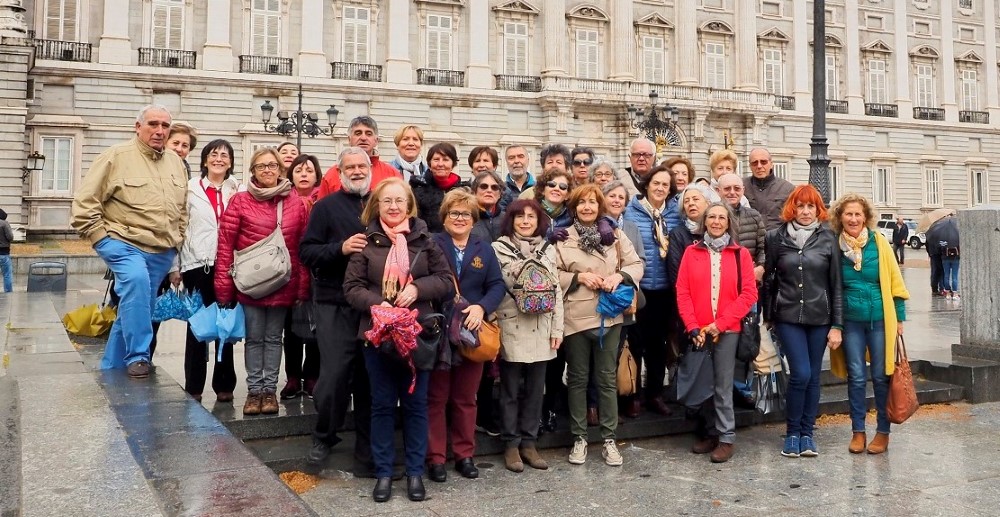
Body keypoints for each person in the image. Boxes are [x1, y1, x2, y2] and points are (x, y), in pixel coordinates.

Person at [342, 177, 453, 503]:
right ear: (378, 205)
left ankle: (415, 472)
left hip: (417, 334)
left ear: (409, 205)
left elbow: (445, 280)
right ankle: (384, 473)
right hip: (377, 335)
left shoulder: (425, 240)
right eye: (386, 201)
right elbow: (351, 288)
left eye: (398, 201)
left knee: (417, 406)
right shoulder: (368, 241)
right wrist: (376, 303)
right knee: (382, 406)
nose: (393, 206)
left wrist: (418, 289)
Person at [70, 105, 188, 377]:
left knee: (136, 308)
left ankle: (111, 369)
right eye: (153, 124)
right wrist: (101, 238)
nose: (159, 131)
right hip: (124, 243)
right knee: (135, 282)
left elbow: (182, 208)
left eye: (165, 125)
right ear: (138, 127)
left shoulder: (175, 162)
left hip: (161, 249)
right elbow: (85, 202)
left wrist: (177, 238)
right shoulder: (115, 157)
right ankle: (138, 356)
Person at [215, 147, 309, 416]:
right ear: (253, 171)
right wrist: (223, 288)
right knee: (254, 338)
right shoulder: (240, 201)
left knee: (274, 338)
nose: (267, 170)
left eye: (272, 165)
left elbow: (302, 248)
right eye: (261, 166)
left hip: (283, 281)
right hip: (250, 283)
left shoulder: (294, 202)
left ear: (281, 169)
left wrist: (302, 286)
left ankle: (270, 391)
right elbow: (225, 246)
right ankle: (254, 391)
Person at [299, 147, 376, 475]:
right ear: (340, 171)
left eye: (362, 165)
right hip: (334, 302)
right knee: (333, 377)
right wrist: (340, 248)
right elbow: (307, 251)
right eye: (351, 167)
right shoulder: (326, 207)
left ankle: (367, 449)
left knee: (370, 378)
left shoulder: (382, 203)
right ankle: (324, 434)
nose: (357, 171)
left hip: (374, 305)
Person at [557, 184, 643, 466]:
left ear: (600, 206)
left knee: (606, 379)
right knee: (579, 379)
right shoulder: (562, 237)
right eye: (582, 203)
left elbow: (636, 263)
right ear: (574, 207)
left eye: (592, 202)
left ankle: (609, 438)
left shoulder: (615, 236)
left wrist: (619, 276)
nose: (587, 207)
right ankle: (579, 437)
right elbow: (551, 272)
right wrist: (578, 278)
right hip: (576, 317)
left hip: (610, 315)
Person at [427, 190, 505, 483]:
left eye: (465, 214)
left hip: (471, 331)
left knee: (465, 398)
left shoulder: (484, 248)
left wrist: (481, 307)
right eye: (453, 213)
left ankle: (464, 455)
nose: (459, 219)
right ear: (444, 217)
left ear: (474, 219)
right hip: (438, 331)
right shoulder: (432, 244)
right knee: (436, 397)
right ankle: (435, 457)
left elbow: (497, 285)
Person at [762, 185, 843, 458]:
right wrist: (769, 314)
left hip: (820, 316)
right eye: (800, 206)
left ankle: (808, 433)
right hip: (787, 316)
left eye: (811, 206)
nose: (806, 212)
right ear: (792, 208)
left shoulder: (829, 238)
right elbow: (770, 279)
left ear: (818, 209)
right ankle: (792, 432)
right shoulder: (775, 237)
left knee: (813, 378)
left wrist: (837, 325)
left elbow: (836, 285)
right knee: (801, 374)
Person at [675, 202, 757, 463]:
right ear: (704, 222)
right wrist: (693, 326)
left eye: (722, 217)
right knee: (702, 384)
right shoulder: (691, 252)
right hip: (699, 329)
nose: (717, 221)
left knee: (722, 385)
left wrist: (720, 324)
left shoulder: (739, 254)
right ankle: (709, 432)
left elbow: (748, 294)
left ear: (728, 222)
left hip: (727, 330)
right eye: (712, 217)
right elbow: (683, 291)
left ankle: (726, 437)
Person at [828, 193, 909, 455]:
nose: (853, 218)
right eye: (848, 214)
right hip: (851, 321)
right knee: (857, 377)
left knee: (881, 376)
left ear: (866, 217)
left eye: (858, 214)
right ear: (840, 217)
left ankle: (883, 432)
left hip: (879, 320)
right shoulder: (834, 246)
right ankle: (858, 431)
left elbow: (896, 282)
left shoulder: (880, 243)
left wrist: (899, 318)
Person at [492, 199, 563, 472]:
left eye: (531, 217)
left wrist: (557, 329)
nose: (525, 221)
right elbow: (496, 287)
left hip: (542, 328)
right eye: (520, 216)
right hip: (512, 325)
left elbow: (556, 291)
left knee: (536, 390)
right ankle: (511, 444)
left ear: (539, 221)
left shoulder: (548, 249)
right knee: (510, 389)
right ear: (511, 220)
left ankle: (530, 443)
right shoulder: (498, 248)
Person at [176, 138, 240, 402]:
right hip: (196, 265)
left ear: (231, 162)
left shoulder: (238, 189)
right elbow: (178, 227)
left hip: (229, 266)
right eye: (214, 154)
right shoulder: (190, 189)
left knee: (225, 326)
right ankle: (194, 385)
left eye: (225, 155)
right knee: (198, 328)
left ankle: (224, 384)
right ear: (204, 160)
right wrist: (174, 266)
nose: (219, 159)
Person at [623, 165, 675, 417]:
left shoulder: (674, 213)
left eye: (665, 184)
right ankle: (633, 395)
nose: (660, 188)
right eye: (656, 183)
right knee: (635, 343)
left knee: (658, 345)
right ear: (647, 184)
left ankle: (655, 393)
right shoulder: (630, 212)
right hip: (639, 288)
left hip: (665, 288)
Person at [715, 173, 766, 407]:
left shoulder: (754, 217)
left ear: (743, 191)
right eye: (727, 189)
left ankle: (743, 388)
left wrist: (761, 268)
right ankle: (725, 388)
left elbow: (764, 247)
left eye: (737, 188)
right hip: (721, 290)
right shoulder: (714, 216)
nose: (732, 192)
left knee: (746, 339)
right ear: (718, 190)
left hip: (747, 288)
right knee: (723, 339)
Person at [280, 153, 323, 399]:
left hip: (318, 271)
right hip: (289, 271)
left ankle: (313, 375)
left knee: (317, 327)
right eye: (298, 170)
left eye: (308, 170)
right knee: (291, 328)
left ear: (317, 175)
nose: (304, 174)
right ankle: (293, 377)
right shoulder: (284, 200)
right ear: (291, 175)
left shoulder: (323, 200)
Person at [318, 116, 401, 196]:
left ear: (376, 140)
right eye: (358, 133)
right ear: (349, 139)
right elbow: (322, 207)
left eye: (368, 134)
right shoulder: (332, 175)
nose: (363, 138)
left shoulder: (391, 174)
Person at [411, 142, 469, 233]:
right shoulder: (417, 188)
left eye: (445, 160)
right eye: (436, 159)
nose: (440, 164)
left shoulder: (463, 191)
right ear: (429, 164)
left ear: (453, 164)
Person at [743, 148, 794, 231]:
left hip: (778, 241)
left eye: (763, 162)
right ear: (750, 166)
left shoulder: (788, 189)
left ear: (771, 164)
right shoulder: (741, 187)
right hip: (750, 240)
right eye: (755, 163)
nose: (759, 166)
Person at [928, 216, 960, 299]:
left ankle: (947, 292)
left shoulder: (938, 232)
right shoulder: (956, 234)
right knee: (954, 276)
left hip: (944, 258)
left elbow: (938, 246)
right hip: (954, 258)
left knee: (945, 275)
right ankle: (954, 293)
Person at [471, 170, 505, 242]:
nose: (489, 190)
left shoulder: (507, 219)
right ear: (474, 192)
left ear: (499, 194)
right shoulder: (466, 217)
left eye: (494, 187)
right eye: (484, 186)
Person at [663, 156, 695, 231]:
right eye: (675, 174)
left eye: (684, 174)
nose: (680, 178)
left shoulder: (696, 199)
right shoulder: (661, 200)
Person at [500, 145, 535, 211]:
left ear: (528, 160)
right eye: (511, 158)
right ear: (506, 162)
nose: (516, 161)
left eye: (521, 157)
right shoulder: (501, 190)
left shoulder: (539, 189)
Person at [0, 209, 12, 292]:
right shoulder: (4, 224)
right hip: (4, 253)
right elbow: (10, 237)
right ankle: (8, 293)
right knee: (7, 275)